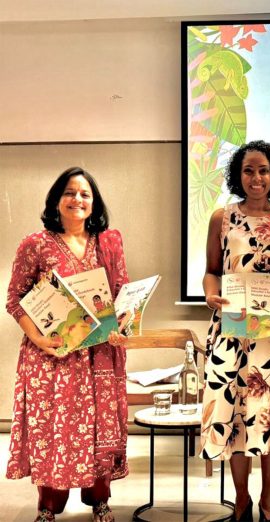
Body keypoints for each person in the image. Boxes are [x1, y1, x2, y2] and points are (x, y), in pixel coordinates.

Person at [5, 167, 130, 522]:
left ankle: (100, 500)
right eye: (70, 193)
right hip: (52, 357)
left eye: (85, 194)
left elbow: (121, 292)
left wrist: (123, 321)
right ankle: (48, 507)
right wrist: (39, 339)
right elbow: (15, 299)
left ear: (94, 203)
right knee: (54, 430)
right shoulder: (35, 244)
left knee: (99, 428)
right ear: (57, 200)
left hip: (99, 356)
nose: (78, 199)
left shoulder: (108, 242)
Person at [200, 140, 270, 522]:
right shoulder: (222, 218)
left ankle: (268, 501)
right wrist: (211, 296)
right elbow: (211, 271)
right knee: (234, 418)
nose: (256, 178)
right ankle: (241, 501)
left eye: (263, 170)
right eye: (248, 170)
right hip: (231, 334)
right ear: (239, 175)